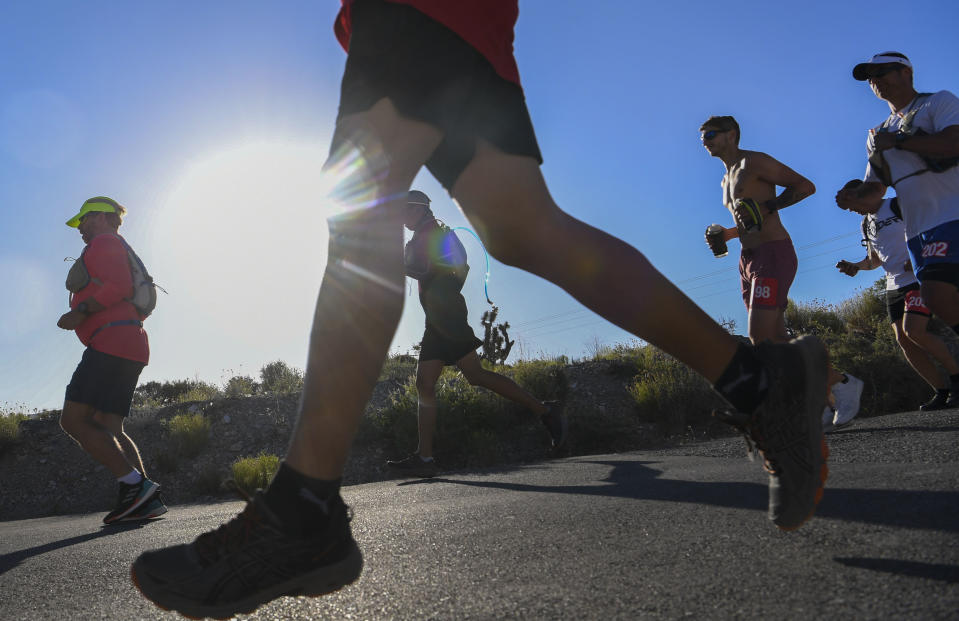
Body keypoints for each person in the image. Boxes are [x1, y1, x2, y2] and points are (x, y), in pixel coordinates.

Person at [131, 3, 830, 617]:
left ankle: (302, 507)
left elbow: (444, 263)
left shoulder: (434, 239)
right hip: (467, 21)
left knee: (357, 207)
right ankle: (755, 379)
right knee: (522, 226)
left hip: (415, 9)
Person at [387, 190, 566, 478]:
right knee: (437, 381)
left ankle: (545, 411)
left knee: (456, 378)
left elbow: (422, 268)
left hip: (447, 315)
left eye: (404, 211)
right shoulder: (425, 233)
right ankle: (426, 458)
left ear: (419, 209)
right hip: (438, 316)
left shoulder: (431, 232)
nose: (400, 217)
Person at [699, 116, 862, 430]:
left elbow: (805, 186)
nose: (704, 141)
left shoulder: (754, 162)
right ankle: (825, 403)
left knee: (760, 337)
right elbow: (750, 219)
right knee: (776, 339)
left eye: (710, 134)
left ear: (731, 135)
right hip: (748, 260)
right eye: (702, 137)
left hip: (773, 253)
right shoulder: (725, 179)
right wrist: (727, 235)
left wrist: (769, 206)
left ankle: (842, 383)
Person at [57, 197, 166, 524]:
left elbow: (118, 286)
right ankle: (144, 498)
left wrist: (80, 312)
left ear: (102, 217)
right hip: (129, 342)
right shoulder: (115, 243)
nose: (80, 229)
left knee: (73, 420)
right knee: (109, 425)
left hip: (111, 340)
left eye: (83, 221)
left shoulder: (104, 241)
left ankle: (136, 486)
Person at [837, 51, 959, 333]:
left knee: (935, 292)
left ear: (906, 72)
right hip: (917, 231)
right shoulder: (877, 134)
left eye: (881, 73)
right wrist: (853, 198)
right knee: (937, 297)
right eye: (870, 78)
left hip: (952, 214)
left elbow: (954, 143)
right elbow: (876, 189)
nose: (875, 81)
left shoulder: (937, 102)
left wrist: (900, 141)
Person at [837, 179, 959, 411]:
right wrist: (856, 266)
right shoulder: (866, 223)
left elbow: (930, 229)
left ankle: (957, 380)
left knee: (913, 330)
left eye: (852, 204)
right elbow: (875, 259)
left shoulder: (896, 205)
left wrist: (921, 259)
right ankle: (941, 391)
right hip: (893, 285)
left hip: (917, 278)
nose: (852, 210)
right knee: (904, 340)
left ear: (861, 193)